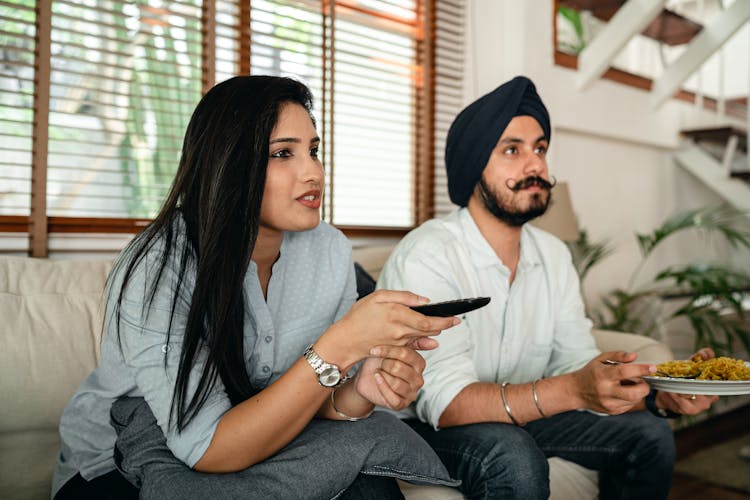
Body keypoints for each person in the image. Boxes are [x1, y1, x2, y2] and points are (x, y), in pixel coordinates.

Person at [52, 75, 460, 500]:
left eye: (314, 150)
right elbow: (206, 445)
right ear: (228, 163)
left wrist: (360, 390)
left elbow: (315, 398)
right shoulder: (159, 263)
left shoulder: (330, 251)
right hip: (120, 461)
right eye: (283, 153)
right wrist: (340, 345)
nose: (314, 171)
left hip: (258, 436)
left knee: (370, 487)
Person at [377, 75, 718, 500]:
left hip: (518, 415)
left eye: (540, 148)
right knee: (511, 455)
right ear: (473, 166)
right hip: (424, 427)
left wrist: (663, 394)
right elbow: (447, 404)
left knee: (648, 435)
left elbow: (574, 363)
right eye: (512, 150)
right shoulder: (429, 255)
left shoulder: (553, 255)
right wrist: (573, 389)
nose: (535, 165)